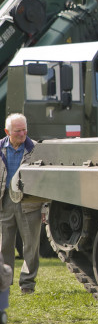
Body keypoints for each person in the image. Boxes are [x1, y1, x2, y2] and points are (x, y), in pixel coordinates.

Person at [0, 114, 39, 295]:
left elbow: (44, 181)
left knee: (31, 245)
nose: (22, 134)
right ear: (7, 131)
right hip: (4, 200)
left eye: (25, 130)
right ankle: (4, 283)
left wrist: (45, 208)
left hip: (29, 201)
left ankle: (27, 284)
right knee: (4, 245)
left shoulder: (36, 149)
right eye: (18, 131)